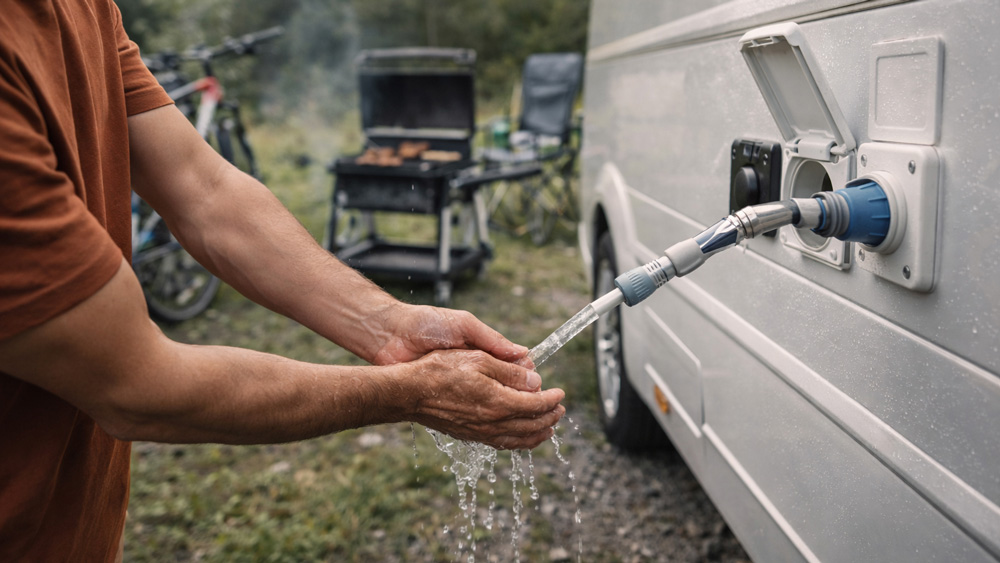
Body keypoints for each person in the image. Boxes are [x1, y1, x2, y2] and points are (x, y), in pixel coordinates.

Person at [0, 1, 566, 560]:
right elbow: (137, 385)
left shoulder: (86, 8)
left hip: (76, 528)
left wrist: (391, 325)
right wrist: (413, 393)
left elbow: (204, 190)